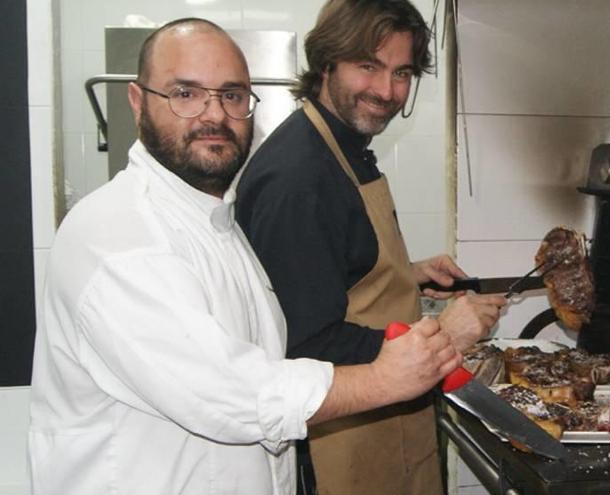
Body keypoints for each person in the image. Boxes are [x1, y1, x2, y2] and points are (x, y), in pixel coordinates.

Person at [27, 18, 461, 495]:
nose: (214, 115)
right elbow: (233, 393)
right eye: (186, 94)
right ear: (137, 102)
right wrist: (383, 378)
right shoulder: (120, 235)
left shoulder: (214, 221)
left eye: (232, 95)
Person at [235, 1, 508, 493]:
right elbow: (304, 343)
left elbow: (329, 268)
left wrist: (407, 273)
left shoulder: (341, 146)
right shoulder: (298, 177)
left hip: (386, 424)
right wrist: (444, 335)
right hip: (339, 443)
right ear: (327, 63)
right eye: (368, 66)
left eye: (401, 72)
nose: (386, 91)